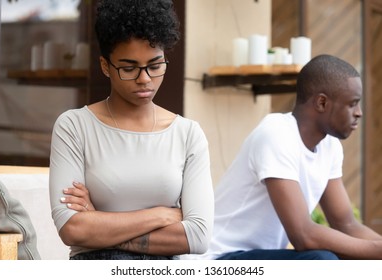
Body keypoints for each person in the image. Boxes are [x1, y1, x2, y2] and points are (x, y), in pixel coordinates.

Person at [49, 0, 214, 260]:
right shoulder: (74, 126)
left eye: (155, 65)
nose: (145, 79)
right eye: (129, 68)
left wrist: (100, 226)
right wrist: (161, 215)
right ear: (106, 66)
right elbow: (72, 229)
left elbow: (197, 236)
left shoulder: (187, 134)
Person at [190, 54, 382, 260]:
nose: (359, 112)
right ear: (322, 102)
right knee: (322, 261)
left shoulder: (330, 146)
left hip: (262, 258)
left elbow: (346, 224)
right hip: (217, 259)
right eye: (352, 103)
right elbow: (302, 234)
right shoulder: (276, 133)